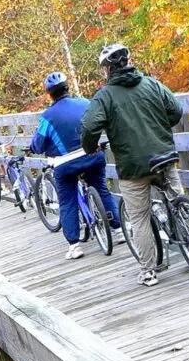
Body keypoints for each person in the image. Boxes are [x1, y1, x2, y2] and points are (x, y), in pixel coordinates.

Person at [81, 43, 184, 287]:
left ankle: (149, 271)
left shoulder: (104, 96)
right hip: (164, 155)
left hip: (133, 167)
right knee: (178, 202)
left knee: (139, 217)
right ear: (129, 60)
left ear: (107, 70)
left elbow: (88, 127)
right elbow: (176, 111)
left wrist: (90, 147)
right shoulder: (152, 83)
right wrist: (158, 128)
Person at [30, 71, 121, 260]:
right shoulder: (85, 103)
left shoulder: (47, 117)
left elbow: (38, 145)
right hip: (92, 154)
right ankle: (119, 229)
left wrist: (34, 145)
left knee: (67, 201)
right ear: (67, 87)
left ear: (49, 93)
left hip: (65, 165)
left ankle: (75, 245)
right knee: (102, 189)